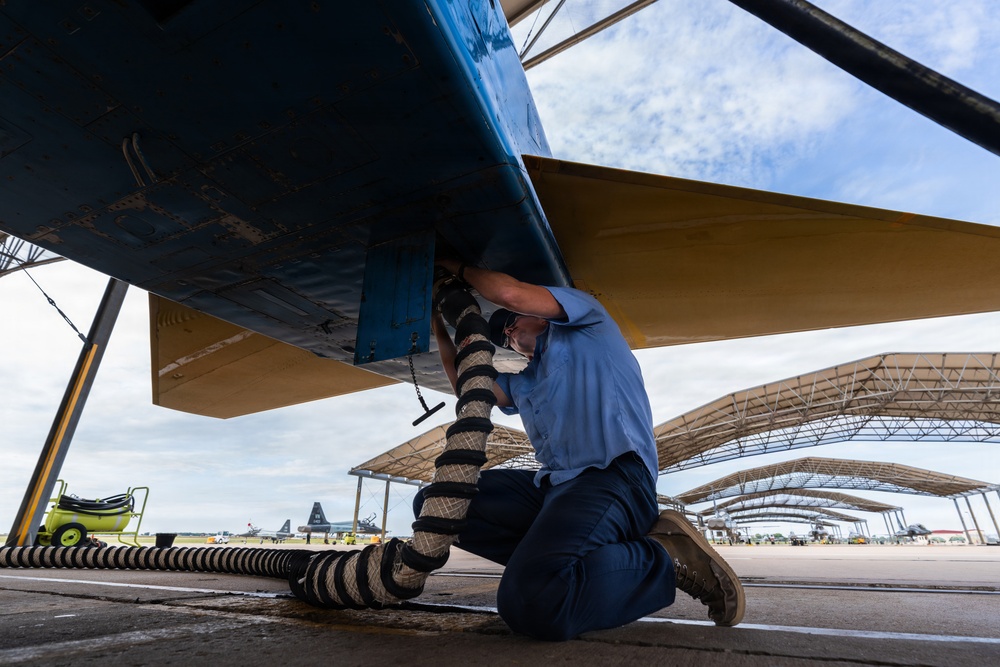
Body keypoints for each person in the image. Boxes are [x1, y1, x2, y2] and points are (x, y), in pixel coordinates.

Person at [414, 261, 745, 641]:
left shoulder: (588, 325)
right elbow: (467, 383)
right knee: (438, 506)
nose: (509, 333)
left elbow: (507, 293)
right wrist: (437, 323)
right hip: (556, 487)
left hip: (614, 477)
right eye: (504, 335)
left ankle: (662, 558)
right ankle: (571, 560)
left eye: (512, 322)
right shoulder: (524, 383)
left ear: (540, 315)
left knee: (534, 604)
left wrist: (453, 270)